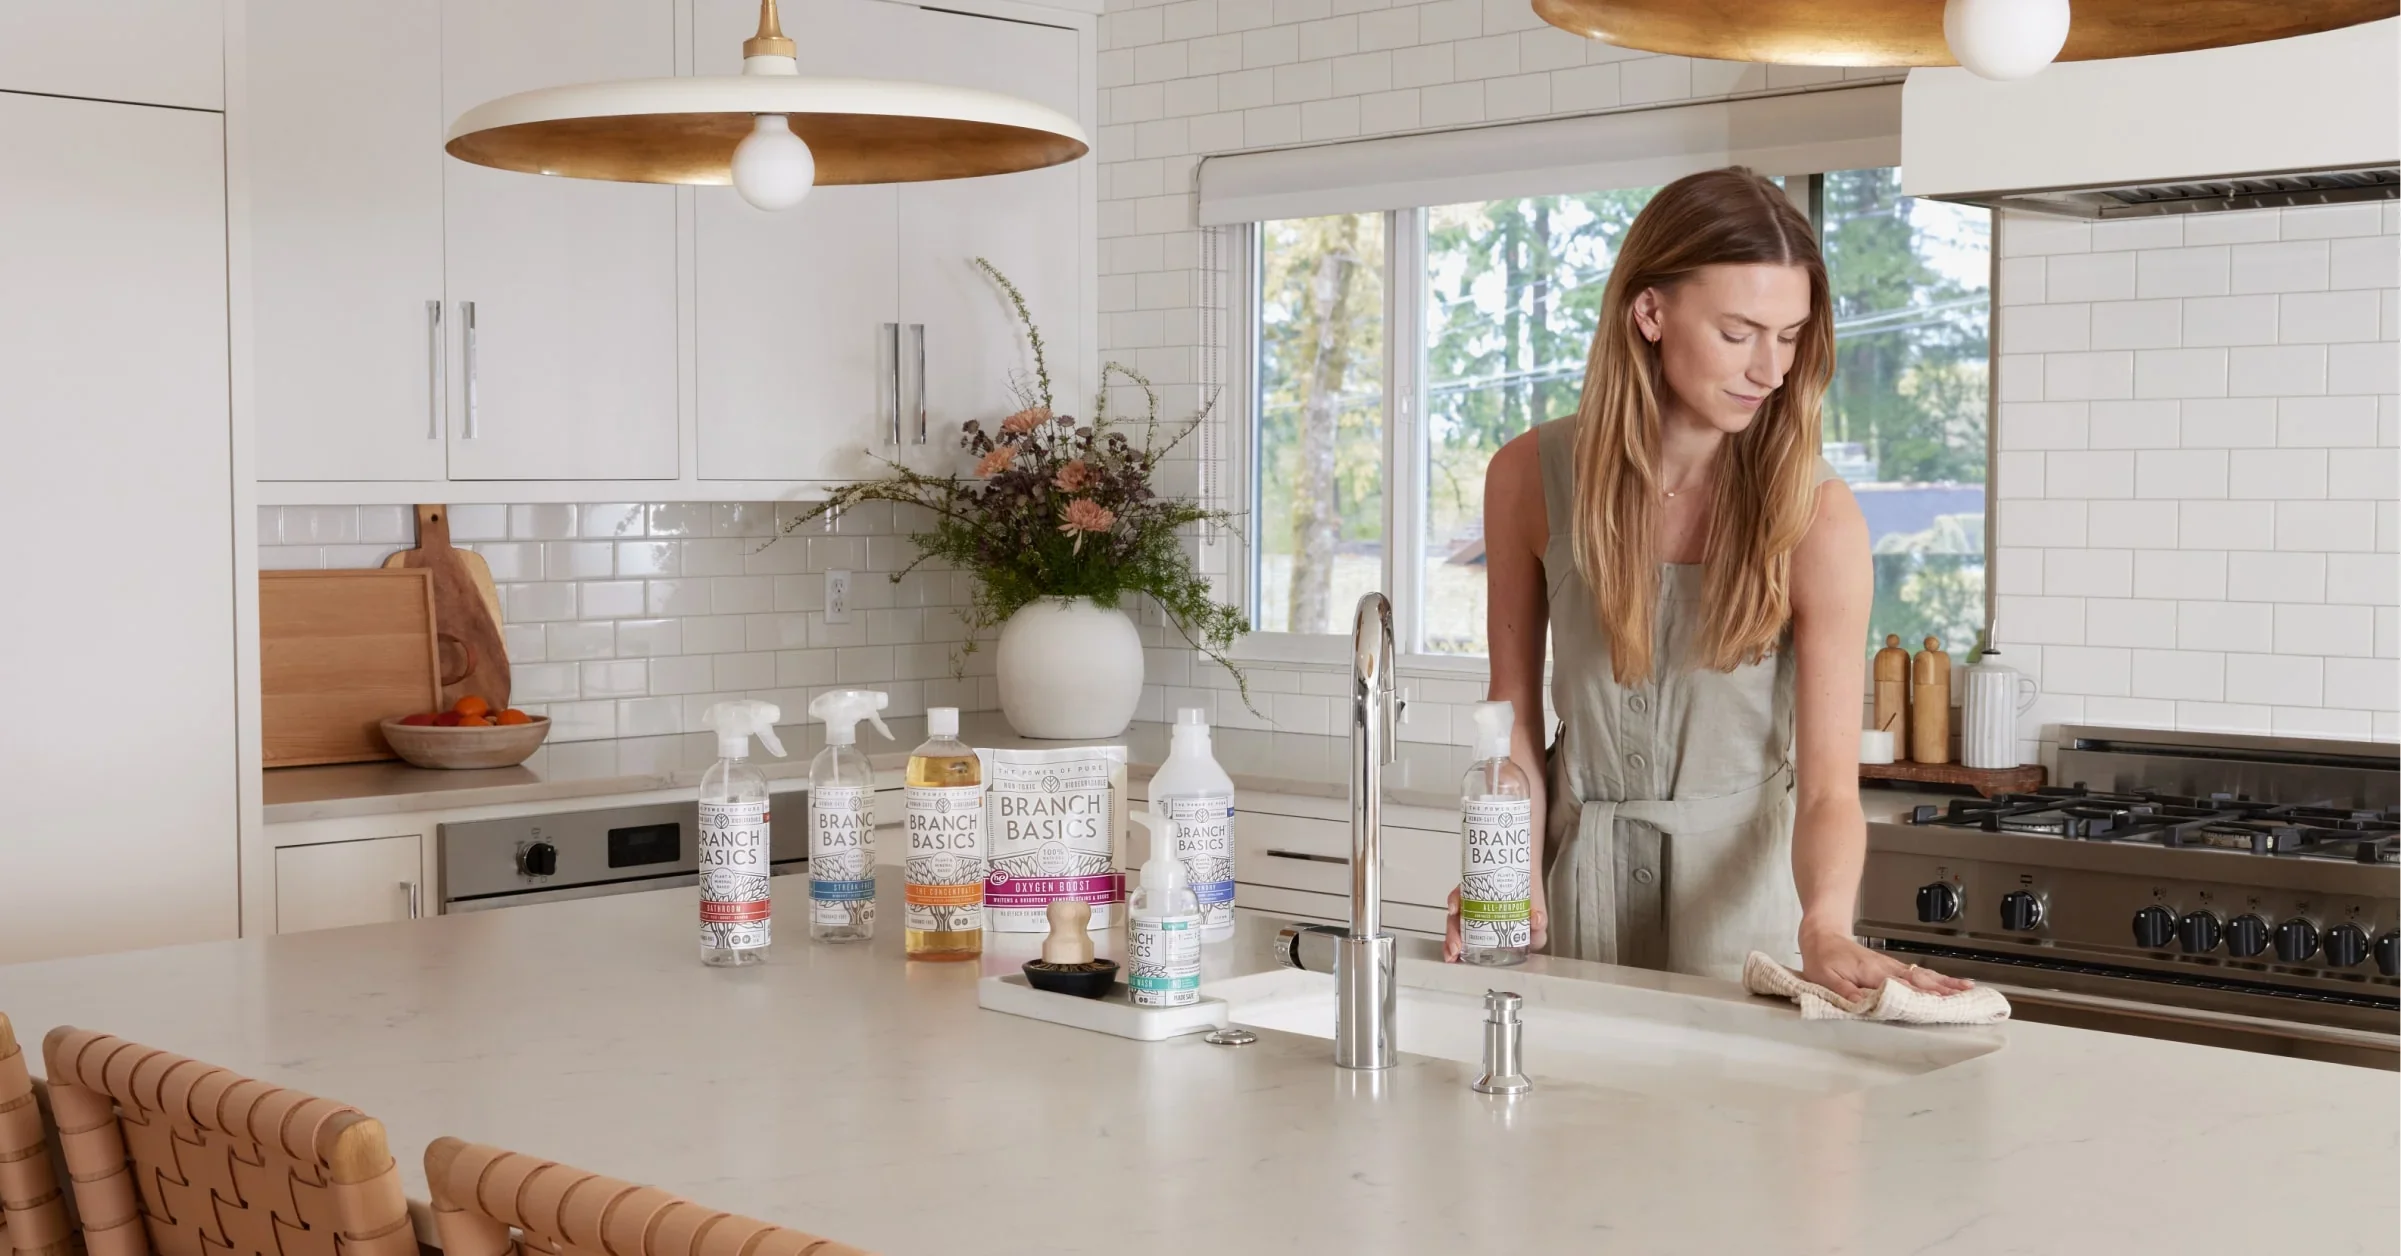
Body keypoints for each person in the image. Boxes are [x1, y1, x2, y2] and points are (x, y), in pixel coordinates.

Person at [1442, 167, 1970, 1003]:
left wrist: (1824, 926)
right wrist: (1502, 874)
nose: (1771, 369)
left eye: (1790, 335)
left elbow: (1831, 786)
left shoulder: (1817, 516)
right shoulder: (1528, 476)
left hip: (1743, 930)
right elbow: (1508, 711)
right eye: (1739, 332)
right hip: (1571, 908)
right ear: (1649, 314)